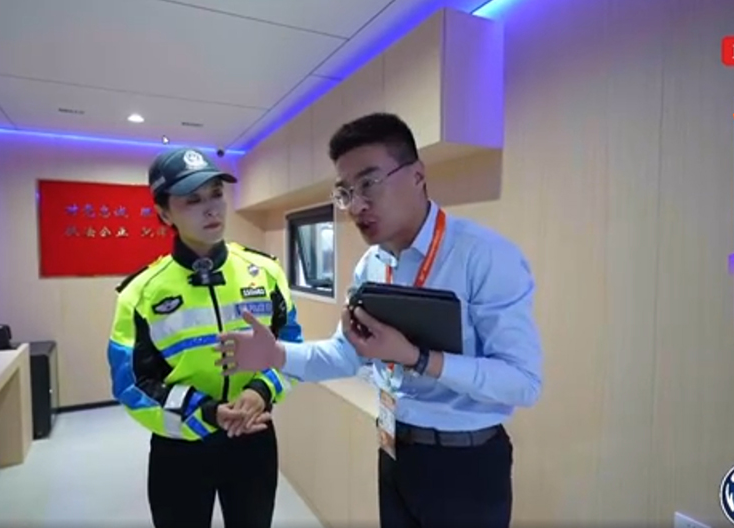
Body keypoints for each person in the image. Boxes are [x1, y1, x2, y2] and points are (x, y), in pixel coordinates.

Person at [217, 113, 543, 527]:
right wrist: (277, 354)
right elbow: (345, 355)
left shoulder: (483, 257)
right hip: (394, 448)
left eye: (369, 183)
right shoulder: (372, 264)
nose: (356, 206)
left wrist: (418, 358)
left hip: (466, 463)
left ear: (417, 176)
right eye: (345, 192)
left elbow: (523, 382)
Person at [106, 147, 303, 528]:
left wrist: (260, 391)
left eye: (216, 194)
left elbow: (292, 347)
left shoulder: (265, 272)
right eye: (192, 200)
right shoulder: (140, 293)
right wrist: (208, 411)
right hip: (180, 446)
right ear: (165, 213)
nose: (211, 209)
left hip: (254, 436)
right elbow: (132, 384)